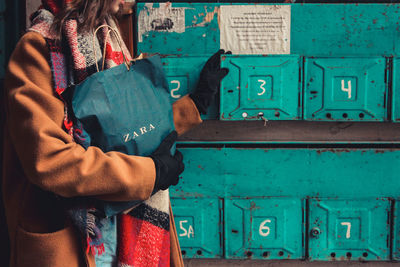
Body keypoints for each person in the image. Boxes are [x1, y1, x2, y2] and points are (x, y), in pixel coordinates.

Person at [2, 0, 229, 266]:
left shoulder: (108, 38)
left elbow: (123, 130)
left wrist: (194, 105)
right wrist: (149, 173)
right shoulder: (38, 49)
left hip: (124, 230)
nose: (131, 2)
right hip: (79, 240)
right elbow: (50, 161)